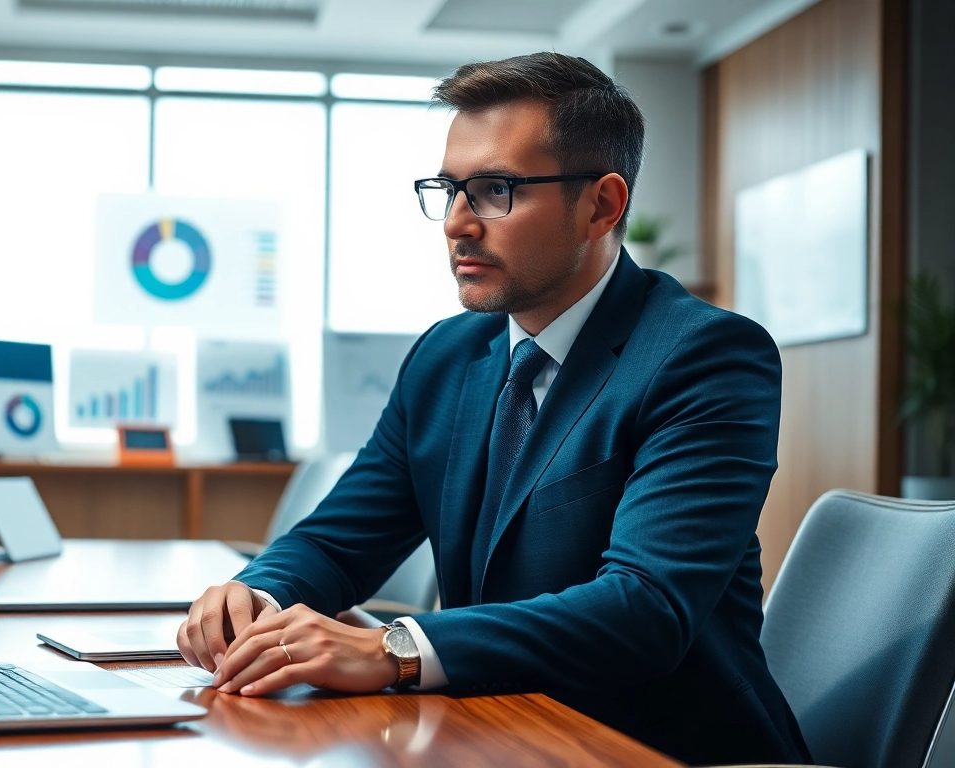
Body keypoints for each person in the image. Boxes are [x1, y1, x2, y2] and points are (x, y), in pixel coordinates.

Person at [177, 52, 811, 766]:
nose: (456, 223)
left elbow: (645, 608)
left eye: (494, 191)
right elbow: (337, 540)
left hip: (654, 746)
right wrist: (255, 596)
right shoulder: (445, 356)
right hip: (488, 731)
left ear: (601, 206)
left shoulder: (706, 356)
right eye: (448, 190)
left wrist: (393, 650)